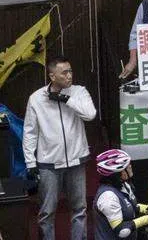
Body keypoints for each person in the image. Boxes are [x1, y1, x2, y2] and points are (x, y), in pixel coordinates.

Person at [23, 55, 97, 240]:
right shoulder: (36, 99)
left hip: (76, 159)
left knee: (79, 209)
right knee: (46, 212)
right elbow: (30, 132)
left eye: (70, 71)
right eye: (64, 72)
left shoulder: (79, 92)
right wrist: (30, 162)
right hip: (48, 163)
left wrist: (65, 99)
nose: (69, 76)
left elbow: (90, 115)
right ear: (52, 76)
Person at [91, 149, 148, 240]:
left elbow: (131, 207)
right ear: (118, 173)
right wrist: (147, 219)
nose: (130, 167)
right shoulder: (108, 197)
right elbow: (122, 231)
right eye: (127, 166)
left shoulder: (123, 185)